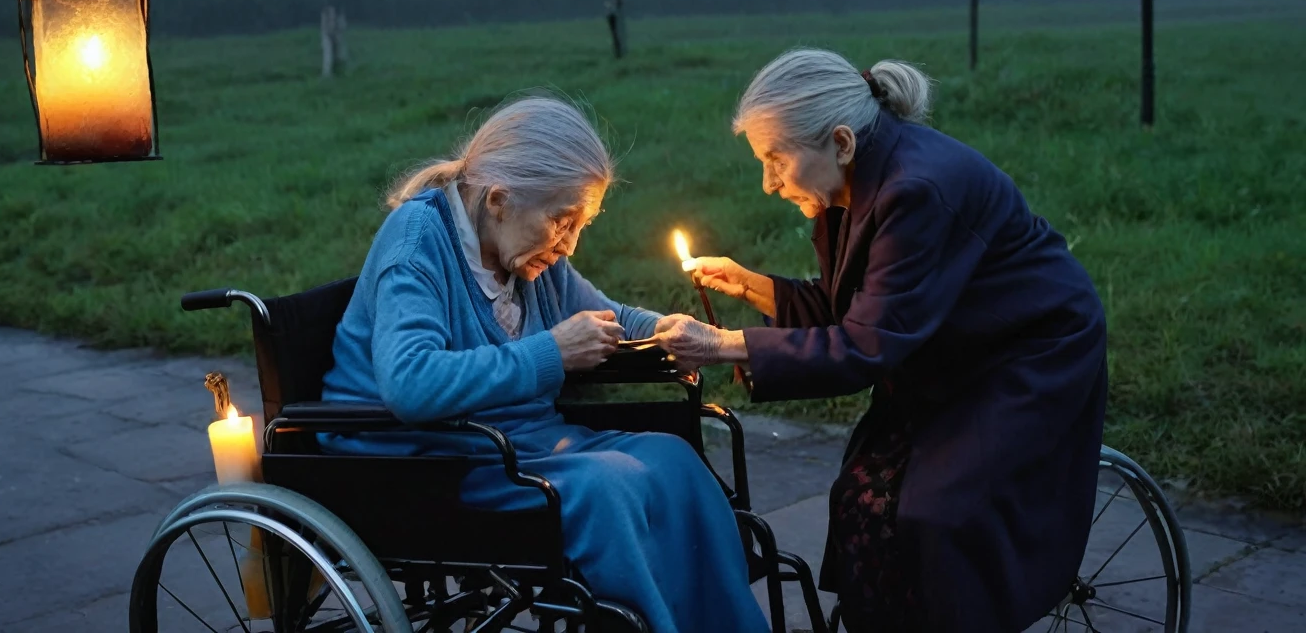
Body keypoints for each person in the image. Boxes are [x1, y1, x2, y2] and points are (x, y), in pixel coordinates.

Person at [654, 49, 1108, 632]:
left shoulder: (914, 189)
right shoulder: (848, 185)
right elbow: (857, 311)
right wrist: (753, 287)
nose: (768, 185)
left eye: (775, 160)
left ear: (840, 142)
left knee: (935, 515)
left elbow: (866, 346)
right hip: (944, 345)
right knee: (859, 500)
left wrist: (724, 345)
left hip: (1023, 353)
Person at [321, 95, 770, 633]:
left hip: (513, 443)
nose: (571, 243)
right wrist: (550, 353)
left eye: (581, 223)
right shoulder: (418, 243)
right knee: (609, 485)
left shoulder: (532, 254)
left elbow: (609, 315)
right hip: (424, 459)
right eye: (563, 221)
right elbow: (409, 383)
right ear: (499, 200)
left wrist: (667, 330)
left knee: (673, 460)